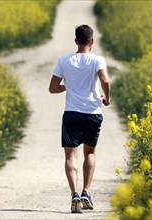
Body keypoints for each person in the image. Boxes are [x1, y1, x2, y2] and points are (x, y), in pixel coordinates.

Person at [49, 24, 110, 214]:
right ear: (92, 41)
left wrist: (70, 86)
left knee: (70, 155)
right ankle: (86, 192)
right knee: (90, 153)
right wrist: (107, 98)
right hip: (93, 113)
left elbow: (52, 88)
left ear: (76, 41)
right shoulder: (97, 60)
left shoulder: (64, 61)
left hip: (72, 113)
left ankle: (74, 194)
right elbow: (105, 81)